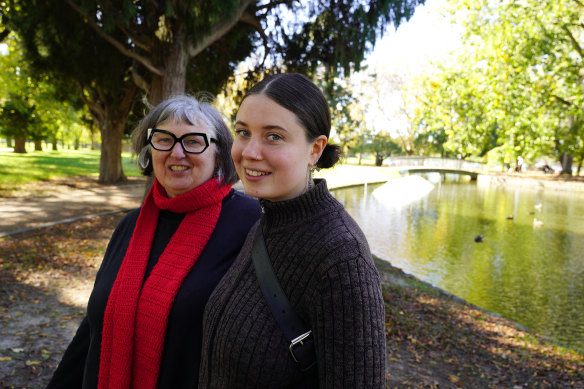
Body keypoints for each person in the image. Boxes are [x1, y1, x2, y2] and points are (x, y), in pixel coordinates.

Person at [47, 95, 261, 389]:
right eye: (164, 140)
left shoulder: (251, 223)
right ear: (150, 150)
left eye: (194, 141)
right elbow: (94, 330)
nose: (176, 153)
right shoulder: (130, 226)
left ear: (220, 155)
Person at [199, 73, 386, 388]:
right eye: (243, 132)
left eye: (273, 136)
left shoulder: (341, 259)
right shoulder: (265, 224)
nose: (250, 151)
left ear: (315, 149)